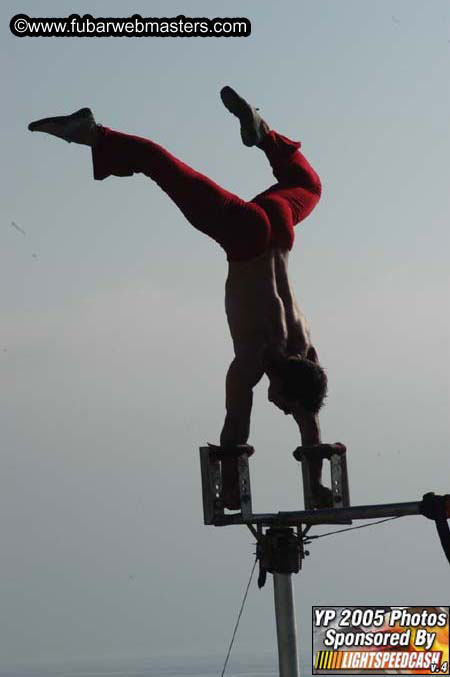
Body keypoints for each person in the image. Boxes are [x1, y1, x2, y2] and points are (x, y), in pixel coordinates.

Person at [28, 86, 345, 510]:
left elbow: (310, 422)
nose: (282, 410)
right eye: (285, 406)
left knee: (309, 185)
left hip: (280, 229)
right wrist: (230, 487)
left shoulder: (304, 351)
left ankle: (264, 133)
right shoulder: (254, 357)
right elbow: (237, 427)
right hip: (243, 234)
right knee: (160, 166)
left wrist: (319, 487)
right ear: (286, 387)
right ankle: (91, 132)